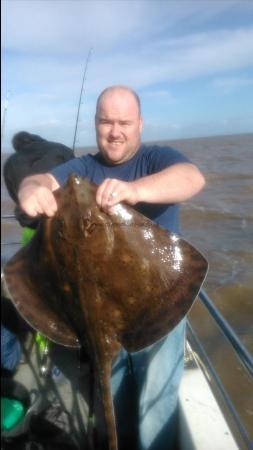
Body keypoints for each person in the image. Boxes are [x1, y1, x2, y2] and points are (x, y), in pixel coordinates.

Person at [17, 86, 205, 450]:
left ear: (139, 125)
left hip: (160, 302)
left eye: (124, 122)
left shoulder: (157, 158)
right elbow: (42, 181)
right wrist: (30, 189)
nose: (115, 131)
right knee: (112, 391)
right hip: (99, 313)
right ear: (96, 124)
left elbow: (191, 178)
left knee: (155, 399)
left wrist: (135, 191)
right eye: (106, 122)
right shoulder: (83, 169)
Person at [2, 131, 75, 376]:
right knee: (67, 293)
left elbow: (17, 196)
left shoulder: (11, 163)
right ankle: (60, 362)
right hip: (66, 231)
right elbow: (76, 180)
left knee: (39, 293)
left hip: (33, 233)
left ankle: (44, 347)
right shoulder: (60, 145)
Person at [3, 131, 74, 228]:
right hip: (66, 216)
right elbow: (76, 178)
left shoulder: (10, 162)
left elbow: (15, 194)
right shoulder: (60, 148)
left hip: (32, 221)